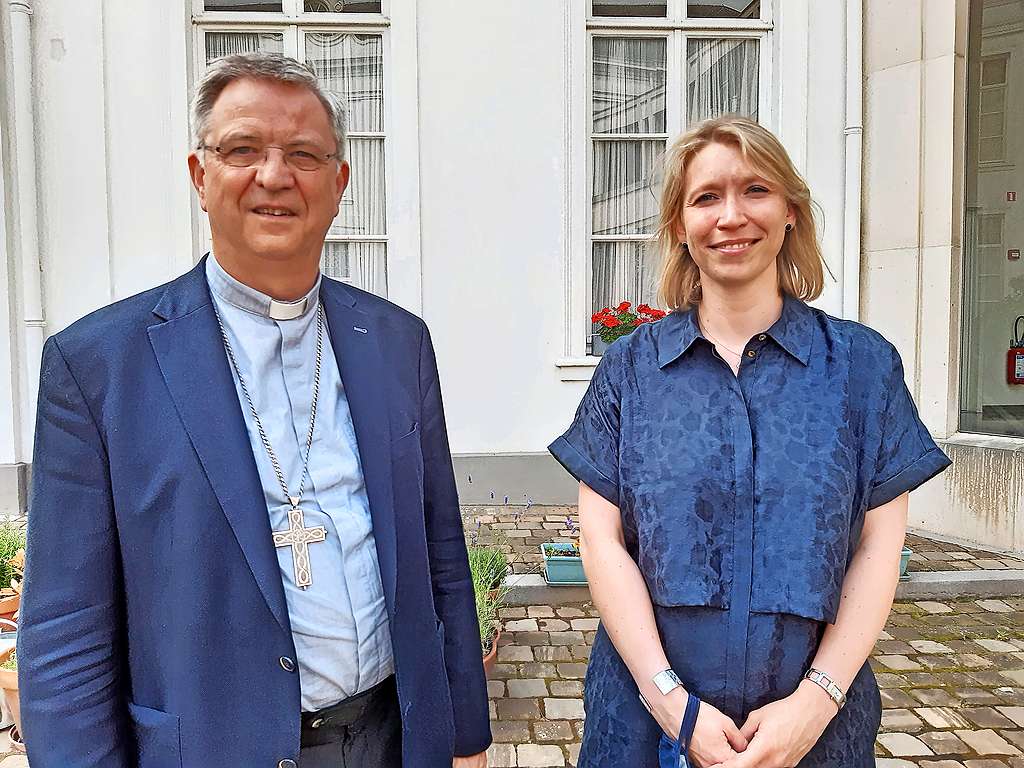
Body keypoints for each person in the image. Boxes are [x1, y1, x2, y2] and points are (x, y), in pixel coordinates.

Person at [18, 53, 490, 768]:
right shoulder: (99, 367)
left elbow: (441, 559)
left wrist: (464, 738)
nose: (275, 176)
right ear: (199, 176)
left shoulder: (397, 343)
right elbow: (65, 629)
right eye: (243, 150)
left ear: (339, 184)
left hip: (393, 741)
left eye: (303, 154)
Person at [549, 116, 951, 767]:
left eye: (755, 190)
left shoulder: (861, 368)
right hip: (644, 725)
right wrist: (670, 704)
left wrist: (815, 704)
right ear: (680, 225)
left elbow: (880, 547)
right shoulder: (630, 371)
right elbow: (601, 541)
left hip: (814, 730)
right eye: (706, 197)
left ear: (790, 210)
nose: (731, 216)